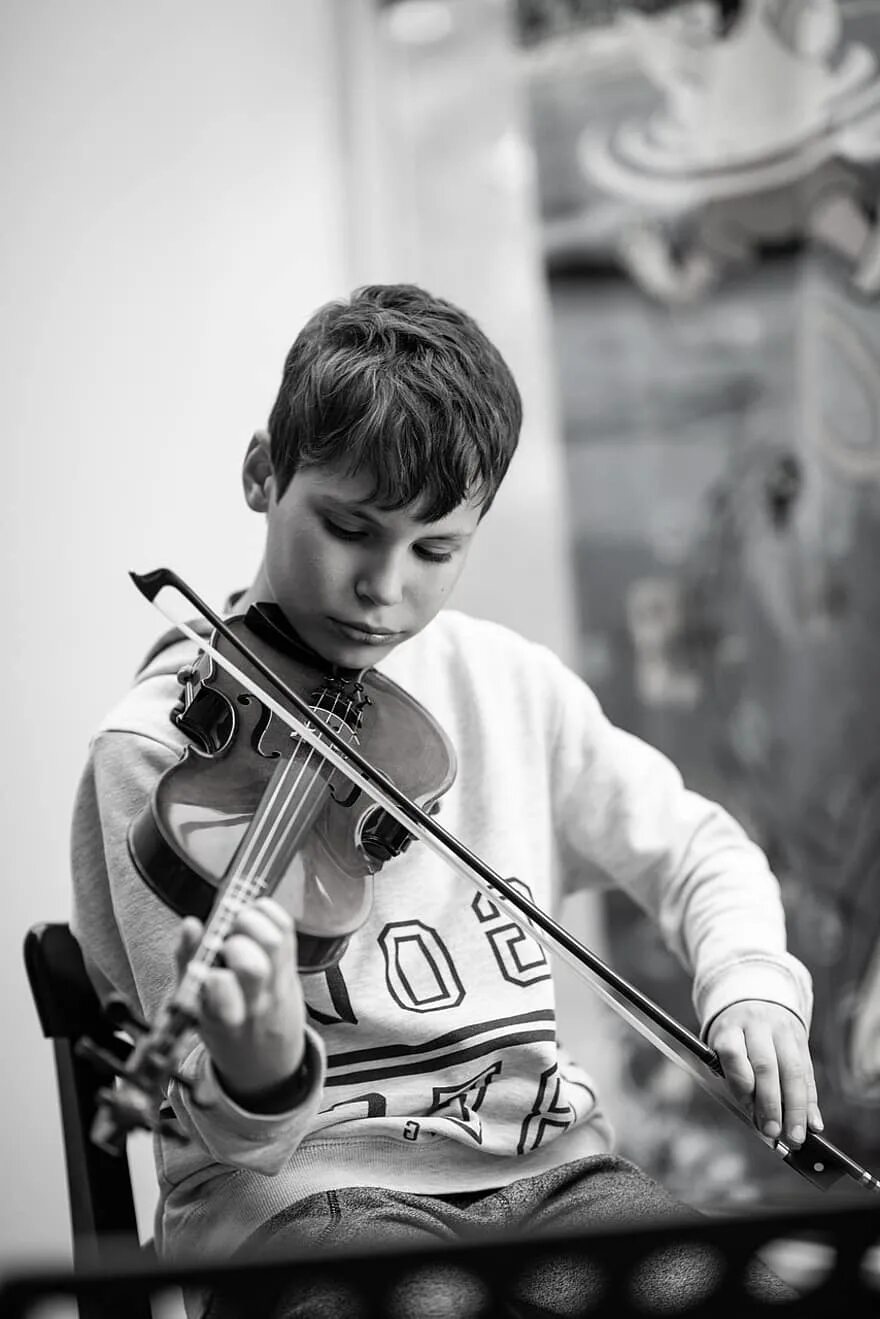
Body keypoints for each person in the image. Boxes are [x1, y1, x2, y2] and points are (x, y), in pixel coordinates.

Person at [71, 284, 820, 1318]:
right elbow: (214, 1120)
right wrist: (260, 1063)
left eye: (435, 550)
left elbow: (696, 848)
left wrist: (748, 982)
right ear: (262, 472)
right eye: (348, 526)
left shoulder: (505, 683)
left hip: (557, 1177)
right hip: (299, 1197)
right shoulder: (157, 748)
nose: (385, 587)